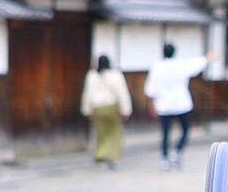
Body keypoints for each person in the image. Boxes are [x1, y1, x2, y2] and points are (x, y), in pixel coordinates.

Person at [146, 42, 216, 171]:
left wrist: (152, 105)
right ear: (174, 52)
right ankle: (177, 152)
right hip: (181, 104)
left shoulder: (157, 67)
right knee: (185, 130)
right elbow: (196, 64)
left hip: (164, 105)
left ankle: (165, 159)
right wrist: (207, 58)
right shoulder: (181, 65)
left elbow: (150, 89)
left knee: (165, 133)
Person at [79, 55, 132, 170]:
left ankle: (100, 155)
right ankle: (108, 156)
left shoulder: (92, 76)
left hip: (97, 108)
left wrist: (86, 109)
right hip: (111, 107)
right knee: (113, 133)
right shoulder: (115, 76)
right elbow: (122, 94)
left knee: (101, 133)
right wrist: (126, 109)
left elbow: (87, 94)